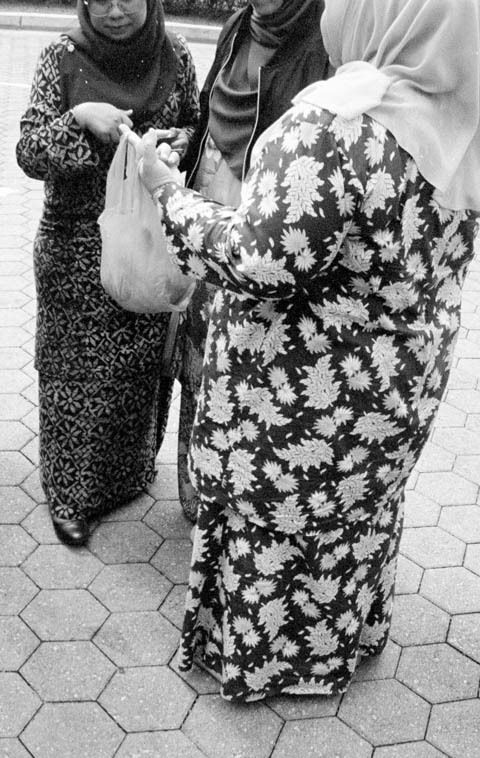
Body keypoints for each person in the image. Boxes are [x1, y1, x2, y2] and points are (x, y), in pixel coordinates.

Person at [134, 0, 480, 701]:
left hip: (301, 390)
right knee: (354, 513)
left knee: (279, 514)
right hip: (397, 386)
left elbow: (260, 260)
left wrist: (169, 196)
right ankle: (342, 643)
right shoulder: (463, 124)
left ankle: (263, 658)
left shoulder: (337, 126)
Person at [16, 0, 201, 546]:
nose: (115, 11)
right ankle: (72, 493)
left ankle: (128, 474)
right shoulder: (62, 57)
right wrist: (79, 121)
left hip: (147, 238)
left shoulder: (175, 55)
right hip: (76, 243)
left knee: (140, 364)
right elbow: (28, 150)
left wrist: (173, 144)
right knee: (75, 371)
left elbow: (196, 122)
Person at [168, 0, 329, 522]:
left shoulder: (323, 38)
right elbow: (208, 111)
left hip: (262, 226)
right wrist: (186, 143)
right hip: (205, 206)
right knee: (197, 358)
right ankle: (196, 498)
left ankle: (233, 506)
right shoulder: (240, 26)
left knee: (242, 368)